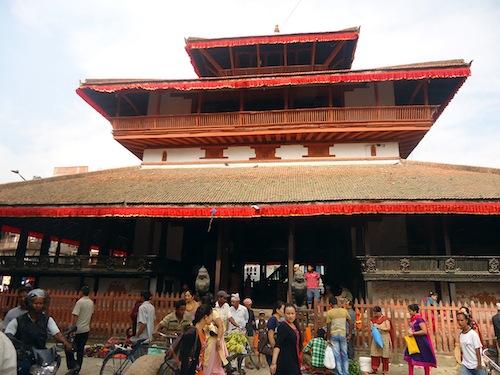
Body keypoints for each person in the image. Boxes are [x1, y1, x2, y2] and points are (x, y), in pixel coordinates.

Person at [5, 288, 74, 375]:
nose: (38, 306)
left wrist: (66, 342)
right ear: (29, 303)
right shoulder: (18, 320)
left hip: (41, 356)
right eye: (35, 303)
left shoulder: (47, 319)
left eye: (40, 303)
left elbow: (56, 333)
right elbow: (8, 333)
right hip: (23, 356)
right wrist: (13, 341)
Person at [66, 285, 94, 374]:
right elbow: (91, 315)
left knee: (69, 348)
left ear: (81, 292)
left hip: (77, 329)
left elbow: (75, 316)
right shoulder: (91, 302)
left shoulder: (80, 302)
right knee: (80, 350)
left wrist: (72, 329)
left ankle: (73, 365)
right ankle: (78, 369)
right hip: (86, 329)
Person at [201, 295, 232, 375]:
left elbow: (221, 326)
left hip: (213, 342)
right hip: (208, 340)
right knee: (214, 366)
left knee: (209, 364)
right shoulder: (204, 312)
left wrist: (218, 340)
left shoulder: (213, 313)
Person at [404, 303, 437, 375]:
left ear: (415, 311)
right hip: (414, 341)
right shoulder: (412, 319)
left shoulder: (419, 319)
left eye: (410, 311)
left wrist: (413, 333)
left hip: (421, 341)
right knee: (410, 357)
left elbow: (424, 331)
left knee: (425, 358)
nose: (409, 313)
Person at [269, 303, 302, 375]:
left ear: (295, 314)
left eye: (292, 313)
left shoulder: (295, 325)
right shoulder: (283, 326)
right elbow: (278, 345)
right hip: (286, 361)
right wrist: (274, 363)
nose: (290, 316)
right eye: (288, 313)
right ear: (284, 314)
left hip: (294, 359)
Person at [182, 304, 212, 375]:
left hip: (199, 370)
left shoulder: (203, 332)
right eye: (211, 315)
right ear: (206, 317)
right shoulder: (191, 334)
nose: (212, 318)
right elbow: (185, 357)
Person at [326, 296, 353, 375]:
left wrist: (328, 338)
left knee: (337, 355)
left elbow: (328, 327)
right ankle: (346, 373)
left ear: (330, 304)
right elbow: (350, 323)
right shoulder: (344, 311)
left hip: (334, 335)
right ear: (337, 303)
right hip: (342, 334)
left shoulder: (329, 313)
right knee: (344, 354)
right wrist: (350, 334)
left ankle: (339, 373)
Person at [456, 311, 485, 375]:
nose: (460, 322)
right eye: (458, 320)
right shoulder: (461, 333)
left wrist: (479, 364)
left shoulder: (472, 334)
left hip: (476, 365)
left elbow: (477, 349)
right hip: (466, 365)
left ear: (466, 321)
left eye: (462, 320)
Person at [370, 306, 394, 374]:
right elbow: (371, 327)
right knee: (374, 353)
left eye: (376, 313)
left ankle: (385, 370)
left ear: (380, 312)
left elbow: (388, 328)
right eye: (374, 313)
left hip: (384, 337)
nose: (375, 315)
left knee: (385, 354)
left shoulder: (385, 319)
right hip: (376, 338)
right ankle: (374, 368)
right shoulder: (373, 319)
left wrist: (379, 327)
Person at [266, 300, 285, 366]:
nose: (284, 311)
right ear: (277, 310)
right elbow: (270, 336)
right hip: (273, 349)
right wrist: (275, 349)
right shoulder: (273, 320)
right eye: (283, 309)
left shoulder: (281, 320)